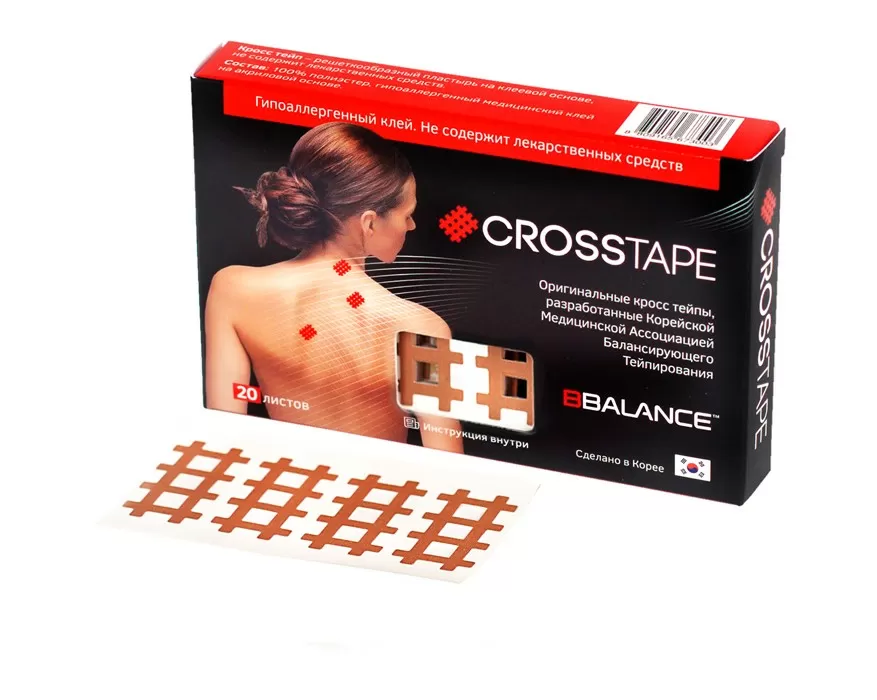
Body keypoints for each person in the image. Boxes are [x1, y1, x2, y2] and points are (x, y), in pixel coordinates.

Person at [204, 121, 464, 453]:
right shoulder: (421, 328)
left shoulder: (233, 290)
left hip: (286, 479)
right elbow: (448, 465)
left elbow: (224, 439)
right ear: (369, 222)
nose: (411, 226)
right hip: (378, 486)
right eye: (407, 215)